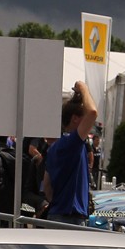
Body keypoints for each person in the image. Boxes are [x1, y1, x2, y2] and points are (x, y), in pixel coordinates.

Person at [43, 81, 98, 225]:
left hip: (57, 215)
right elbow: (93, 112)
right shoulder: (71, 143)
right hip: (70, 219)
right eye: (83, 116)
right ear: (75, 119)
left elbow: (47, 186)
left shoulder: (54, 147)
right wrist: (83, 87)